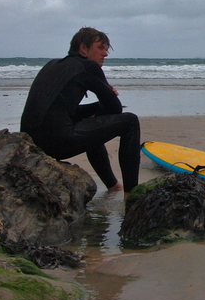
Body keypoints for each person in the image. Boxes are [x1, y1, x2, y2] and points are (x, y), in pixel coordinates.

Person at [20, 27, 141, 194]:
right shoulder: (88, 67)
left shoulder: (52, 65)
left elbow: (60, 111)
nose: (105, 54)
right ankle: (131, 193)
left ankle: (113, 186)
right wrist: (105, 96)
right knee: (130, 121)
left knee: (92, 125)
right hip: (57, 143)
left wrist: (97, 107)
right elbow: (115, 109)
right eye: (100, 48)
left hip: (31, 143)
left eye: (106, 49)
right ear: (83, 48)